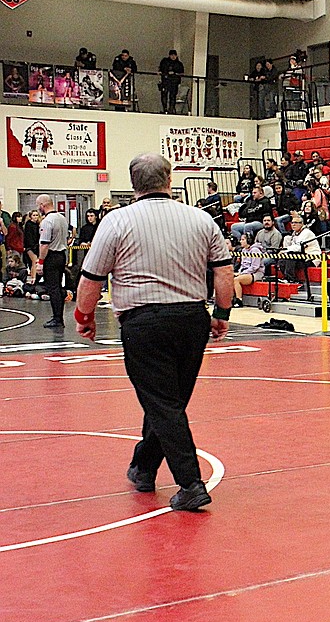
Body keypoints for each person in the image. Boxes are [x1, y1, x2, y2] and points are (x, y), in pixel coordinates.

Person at [73, 153, 232, 512]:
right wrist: (222, 313)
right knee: (168, 400)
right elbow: (223, 271)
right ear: (170, 180)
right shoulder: (201, 218)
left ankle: (191, 484)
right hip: (192, 320)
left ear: (134, 184)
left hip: (144, 323)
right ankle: (144, 468)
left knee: (162, 402)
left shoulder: (116, 221)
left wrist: (84, 316)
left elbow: (92, 278)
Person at [34, 195, 69, 328]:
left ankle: (57, 318)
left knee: (53, 288)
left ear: (43, 205)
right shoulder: (62, 218)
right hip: (61, 255)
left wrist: (40, 262)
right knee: (58, 287)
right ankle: (58, 316)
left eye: (39, 206)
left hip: (51, 256)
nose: (38, 209)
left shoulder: (47, 221)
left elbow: (44, 244)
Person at [232, 231, 265, 307]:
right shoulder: (243, 250)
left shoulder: (255, 250)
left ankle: (239, 301)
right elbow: (243, 265)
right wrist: (239, 272)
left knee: (236, 280)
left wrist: (242, 273)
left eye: (243, 239)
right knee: (229, 277)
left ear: (248, 240)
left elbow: (255, 267)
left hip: (256, 273)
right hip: (246, 272)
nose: (240, 241)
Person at [158, 49, 184, 115]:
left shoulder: (179, 64)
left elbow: (182, 73)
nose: (173, 57)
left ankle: (171, 109)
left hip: (174, 83)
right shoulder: (165, 62)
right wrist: (165, 73)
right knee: (164, 95)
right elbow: (160, 70)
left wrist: (174, 73)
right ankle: (165, 109)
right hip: (165, 82)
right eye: (171, 55)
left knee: (173, 96)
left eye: (174, 55)